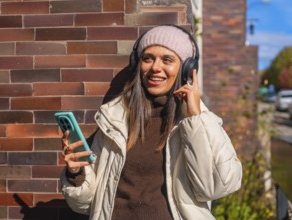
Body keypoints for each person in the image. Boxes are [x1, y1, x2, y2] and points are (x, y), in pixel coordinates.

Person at [60, 24, 242, 220]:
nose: (155, 67)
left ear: (187, 69)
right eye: (148, 58)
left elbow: (217, 186)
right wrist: (76, 174)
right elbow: (87, 204)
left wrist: (195, 118)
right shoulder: (114, 120)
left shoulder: (197, 120)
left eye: (167, 59)